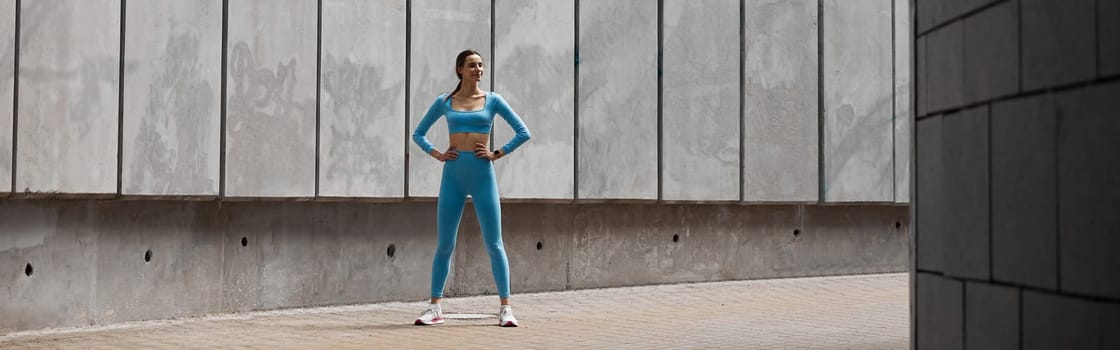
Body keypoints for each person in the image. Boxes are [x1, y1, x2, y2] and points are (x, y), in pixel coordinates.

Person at [411, 49, 531, 327]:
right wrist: (437, 153)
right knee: (445, 244)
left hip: (482, 174)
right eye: (472, 65)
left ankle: (506, 308)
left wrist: (497, 152)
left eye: (480, 65)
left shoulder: (493, 100)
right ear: (460, 69)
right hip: (453, 174)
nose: (478, 70)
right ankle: (435, 307)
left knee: (494, 243)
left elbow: (523, 131)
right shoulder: (445, 101)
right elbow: (418, 133)